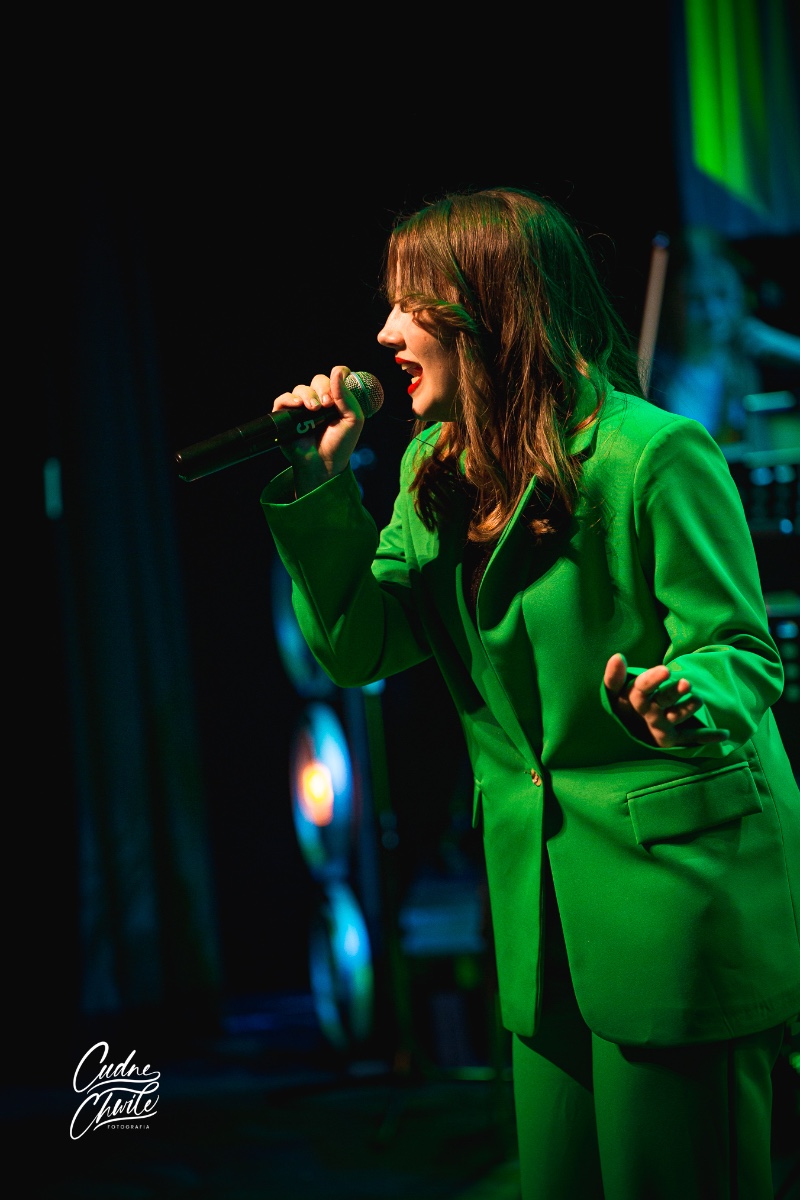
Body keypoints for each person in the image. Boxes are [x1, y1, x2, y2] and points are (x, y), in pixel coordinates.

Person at [259, 187, 800, 1199]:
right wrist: (321, 485)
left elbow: (739, 650)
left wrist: (681, 695)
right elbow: (362, 646)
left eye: (410, 304)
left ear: (489, 311)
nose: (383, 335)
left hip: (674, 908)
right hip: (543, 920)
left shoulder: (649, 455)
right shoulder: (435, 468)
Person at [649, 224, 800, 448]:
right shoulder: (655, 373)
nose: (713, 314)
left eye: (721, 294)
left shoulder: (748, 358)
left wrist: (776, 342)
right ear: (672, 302)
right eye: (696, 300)